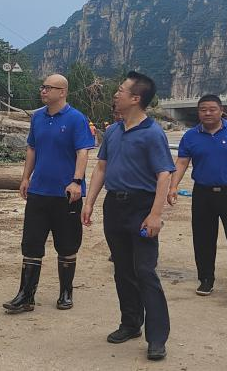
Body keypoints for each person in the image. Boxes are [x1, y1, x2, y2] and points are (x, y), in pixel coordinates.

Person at [82, 71, 175, 361]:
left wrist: (155, 215)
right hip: (115, 206)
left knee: (145, 271)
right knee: (122, 269)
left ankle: (157, 337)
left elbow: (164, 175)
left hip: (142, 206)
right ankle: (131, 323)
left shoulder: (153, 133)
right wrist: (89, 202)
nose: (115, 94)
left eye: (120, 90)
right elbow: (101, 168)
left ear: (135, 98)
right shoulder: (113, 131)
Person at [4, 74, 95, 314]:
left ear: (62, 92)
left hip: (66, 194)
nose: (43, 91)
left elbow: (82, 152)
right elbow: (32, 148)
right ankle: (26, 295)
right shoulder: (37, 117)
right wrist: (26, 178)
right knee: (31, 243)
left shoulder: (76, 119)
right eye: (42, 87)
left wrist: (76, 181)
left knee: (67, 244)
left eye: (48, 87)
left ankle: (66, 292)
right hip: (39, 191)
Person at [168, 95, 227, 303]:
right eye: (203, 110)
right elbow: (182, 162)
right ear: (198, 112)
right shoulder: (191, 136)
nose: (207, 113)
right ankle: (206, 280)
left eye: (212, 109)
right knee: (203, 239)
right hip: (203, 193)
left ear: (221, 110)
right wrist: (173, 186)